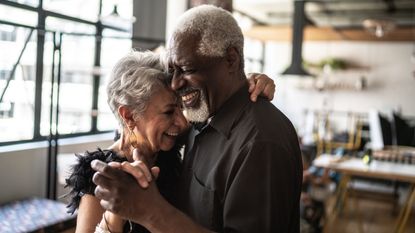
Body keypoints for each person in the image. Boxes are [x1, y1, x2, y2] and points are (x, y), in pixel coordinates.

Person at [91, 5, 302, 233]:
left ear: (231, 59)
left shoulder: (261, 142)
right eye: (173, 71)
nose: (175, 83)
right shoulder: (202, 120)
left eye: (187, 69)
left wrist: (152, 212)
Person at [66, 50, 276, 232]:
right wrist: (117, 212)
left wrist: (248, 83)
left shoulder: (173, 146)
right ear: (129, 116)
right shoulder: (100, 177)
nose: (182, 122)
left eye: (181, 107)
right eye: (168, 112)